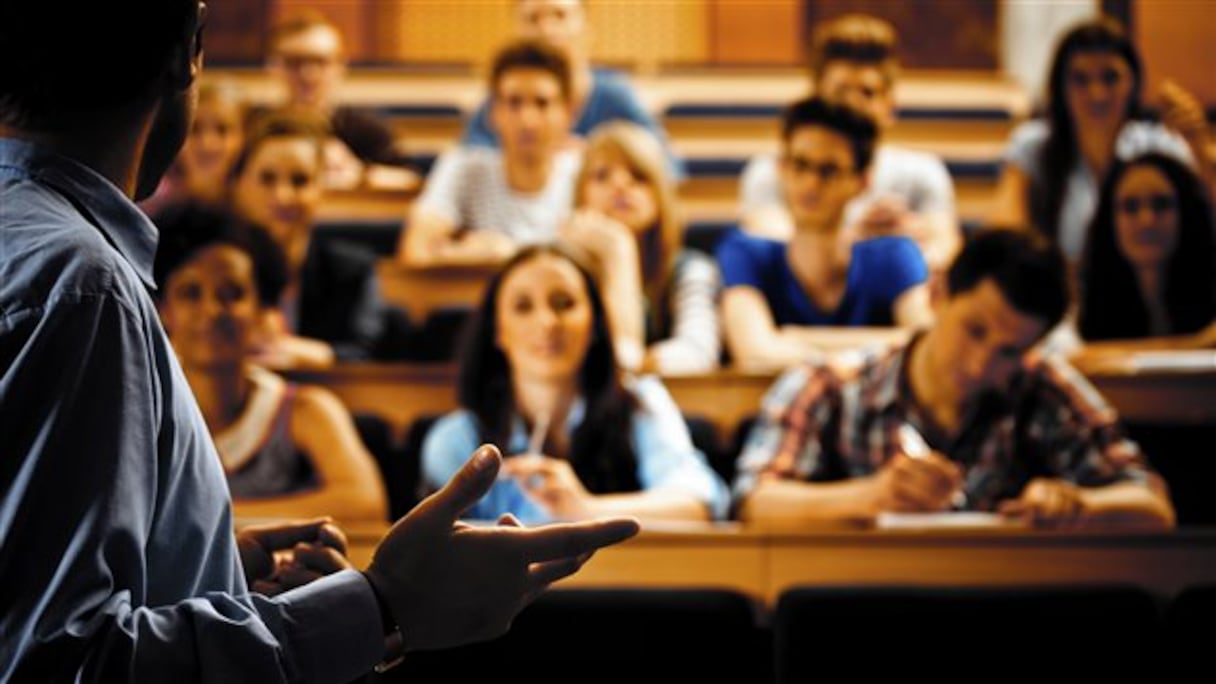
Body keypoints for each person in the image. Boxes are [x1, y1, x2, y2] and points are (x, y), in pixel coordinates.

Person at [0, 3, 638, 680]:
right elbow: (57, 662)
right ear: (189, 49)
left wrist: (206, 562)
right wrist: (384, 605)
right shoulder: (80, 286)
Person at [734, 229, 1176, 530]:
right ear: (938, 294)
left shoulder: (1042, 386)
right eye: (975, 330)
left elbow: (1153, 506)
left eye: (1010, 351)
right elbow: (756, 503)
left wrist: (1079, 505)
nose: (980, 365)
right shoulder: (832, 383)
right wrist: (870, 496)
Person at [423, 245, 730, 524]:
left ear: (595, 323)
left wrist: (585, 509)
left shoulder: (640, 402)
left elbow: (696, 505)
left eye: (564, 303)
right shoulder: (457, 438)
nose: (547, 322)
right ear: (498, 331)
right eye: (523, 306)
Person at [153, 201, 388, 523]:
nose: (211, 311)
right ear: (163, 310)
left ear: (262, 308)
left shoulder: (304, 408)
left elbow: (365, 503)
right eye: (191, 293)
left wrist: (213, 520)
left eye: (232, 293)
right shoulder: (144, 412)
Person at [717, 96, 934, 370]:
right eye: (800, 165)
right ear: (781, 168)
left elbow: (925, 344)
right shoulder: (745, 252)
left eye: (828, 170)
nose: (811, 183)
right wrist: (880, 346)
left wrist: (797, 339)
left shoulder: (894, 255)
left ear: (862, 181)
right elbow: (755, 355)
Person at [738, 13, 959, 271]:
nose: (853, 105)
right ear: (817, 99)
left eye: (867, 93)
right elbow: (773, 254)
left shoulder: (923, 172)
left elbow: (945, 252)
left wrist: (909, 246)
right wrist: (863, 244)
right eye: (841, 91)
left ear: (890, 106)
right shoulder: (774, 171)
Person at [988, 15, 1212, 266]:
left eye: (1110, 77)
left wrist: (1199, 144)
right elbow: (1004, 236)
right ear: (1060, 87)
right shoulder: (1033, 145)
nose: (1097, 94)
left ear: (1133, 82)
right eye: (1080, 80)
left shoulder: (1157, 145)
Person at [229, 108, 410, 365]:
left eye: (300, 181)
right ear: (239, 185)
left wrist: (303, 352)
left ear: (320, 190)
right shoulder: (212, 268)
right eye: (267, 179)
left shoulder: (352, 270)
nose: (283, 196)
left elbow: (366, 354)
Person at [398, 38, 581, 268]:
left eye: (542, 104)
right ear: (493, 112)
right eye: (514, 103)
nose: (528, 121)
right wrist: (467, 255)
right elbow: (414, 252)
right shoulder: (463, 167)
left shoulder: (583, 174)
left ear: (568, 113)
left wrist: (509, 256)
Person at [561, 121, 721, 373]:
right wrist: (618, 251)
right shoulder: (559, 271)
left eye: (638, 176)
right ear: (580, 195)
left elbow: (698, 353)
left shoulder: (691, 269)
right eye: (602, 176)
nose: (620, 185)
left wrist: (619, 253)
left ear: (660, 195)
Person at [462, 0, 684, 178]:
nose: (547, 29)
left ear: (585, 27)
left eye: (559, 15)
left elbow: (667, 168)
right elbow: (465, 166)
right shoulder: (498, 103)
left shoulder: (616, 96)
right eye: (533, 18)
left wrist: (594, 160)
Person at [267, 10, 419, 190]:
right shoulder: (258, 126)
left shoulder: (365, 126)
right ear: (274, 66)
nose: (308, 74)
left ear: (340, 67)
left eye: (320, 62)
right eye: (295, 62)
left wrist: (359, 173)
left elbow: (409, 179)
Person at [1076, 152, 1216, 347]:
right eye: (1130, 207)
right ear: (1109, 223)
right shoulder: (1083, 318)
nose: (1147, 221)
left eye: (1161, 204)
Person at [140, 76, 248, 215]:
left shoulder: (255, 202)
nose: (208, 144)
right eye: (195, 130)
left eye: (222, 130)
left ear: (244, 135)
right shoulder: (152, 204)